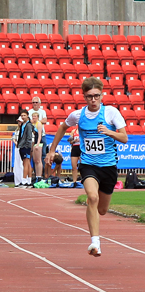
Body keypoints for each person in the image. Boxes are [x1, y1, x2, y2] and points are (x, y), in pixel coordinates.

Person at [46, 77, 127, 257]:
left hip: (109, 166)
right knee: (92, 197)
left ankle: (95, 218)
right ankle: (95, 243)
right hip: (88, 164)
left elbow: (124, 138)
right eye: (90, 96)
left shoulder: (111, 113)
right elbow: (62, 128)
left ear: (102, 95)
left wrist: (109, 132)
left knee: (102, 210)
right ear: (84, 97)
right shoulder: (77, 115)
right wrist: (52, 150)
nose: (93, 100)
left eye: (96, 96)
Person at [28, 97, 48, 182]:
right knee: (34, 156)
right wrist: (38, 120)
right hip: (32, 136)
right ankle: (36, 174)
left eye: (36, 102)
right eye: (33, 102)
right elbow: (29, 121)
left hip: (41, 135)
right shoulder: (29, 111)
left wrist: (36, 121)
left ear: (39, 103)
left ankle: (42, 174)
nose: (35, 104)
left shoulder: (42, 111)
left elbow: (45, 120)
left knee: (43, 155)